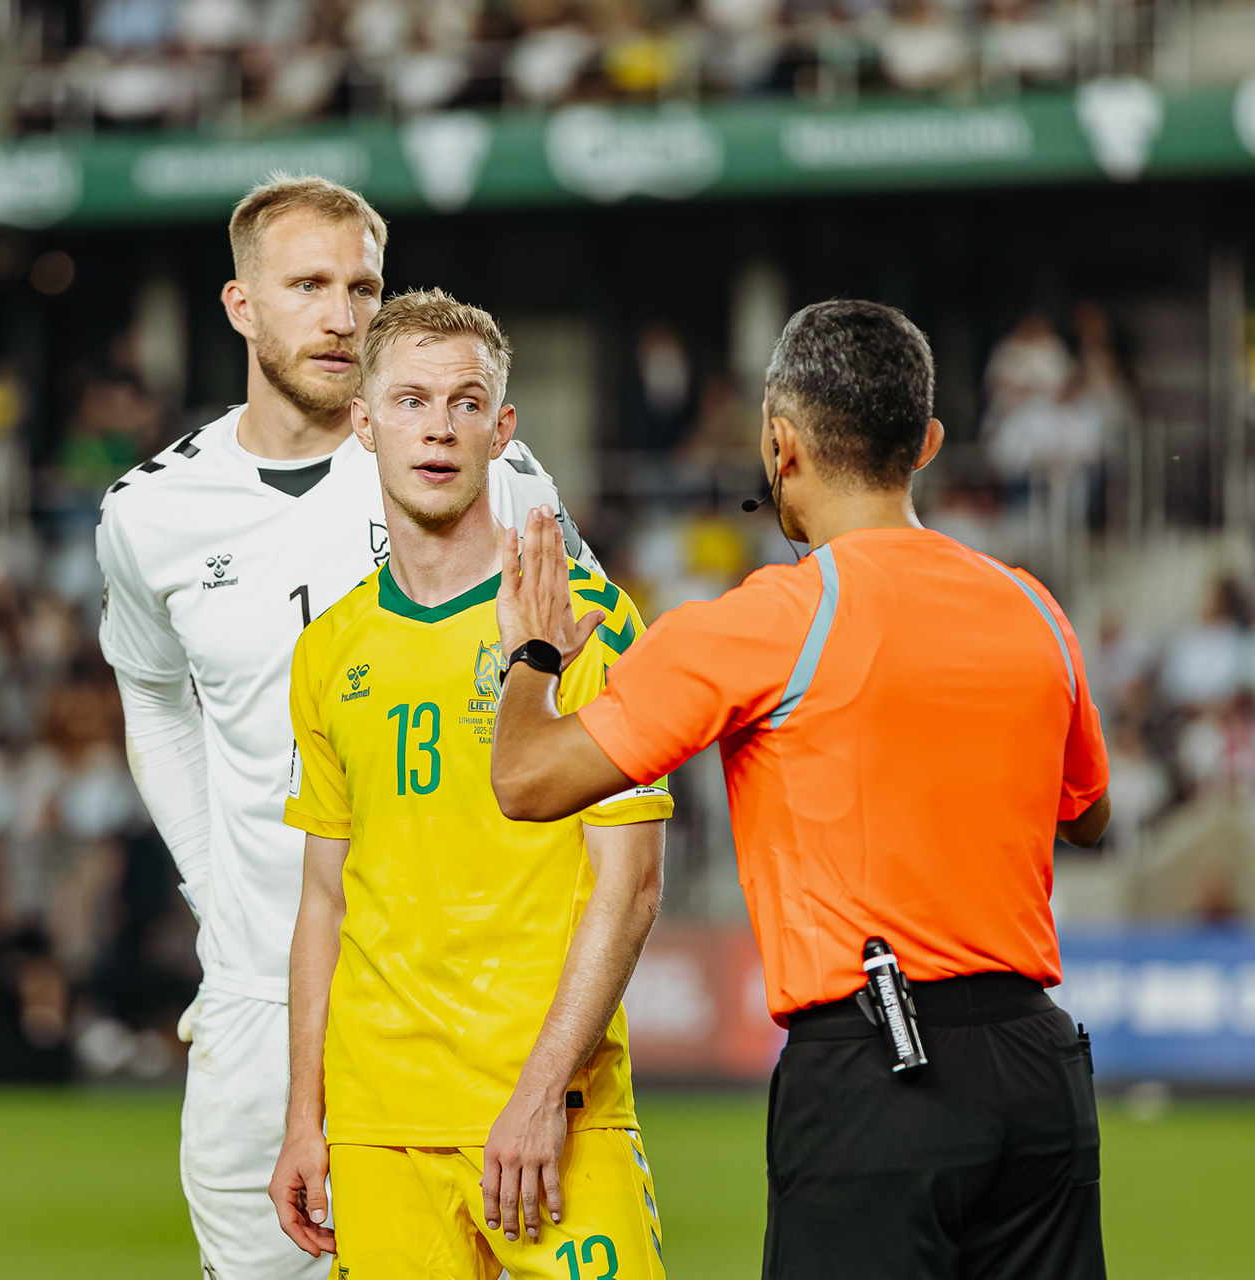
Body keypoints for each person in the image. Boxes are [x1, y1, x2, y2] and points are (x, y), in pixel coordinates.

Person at [490, 299, 1111, 1280]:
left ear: (780, 444)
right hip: (1040, 1071)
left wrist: (531, 649)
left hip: (877, 1071)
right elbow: (1089, 810)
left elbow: (526, 779)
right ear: (929, 444)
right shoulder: (1034, 606)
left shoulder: (766, 620)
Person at [95, 175, 596, 1277]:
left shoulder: (489, 473)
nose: (343, 314)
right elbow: (150, 689)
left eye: (364, 285)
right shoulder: (149, 514)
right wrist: (210, 880)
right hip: (260, 999)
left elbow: (593, 681)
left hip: (458, 995)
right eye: (309, 284)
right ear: (240, 306)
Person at [272, 291, 671, 1279]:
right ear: (363, 424)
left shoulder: (590, 618)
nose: (438, 427)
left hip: (550, 1112)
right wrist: (302, 1118)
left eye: (464, 402)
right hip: (378, 1126)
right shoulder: (328, 650)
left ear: (503, 428)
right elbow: (326, 897)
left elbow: (631, 885)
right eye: (409, 400)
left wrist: (540, 1093)